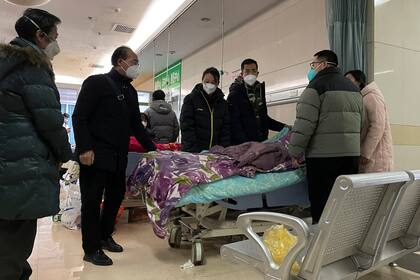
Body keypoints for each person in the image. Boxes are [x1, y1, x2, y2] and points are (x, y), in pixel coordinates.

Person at [0, 9, 72, 280]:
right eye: (54, 36)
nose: (56, 44)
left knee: (6, 242)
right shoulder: (32, 67)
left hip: (7, 162)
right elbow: (50, 123)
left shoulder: (7, 64)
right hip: (22, 169)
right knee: (14, 247)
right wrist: (67, 154)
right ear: (40, 36)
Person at [72, 46, 156, 266]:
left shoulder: (130, 91)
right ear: (120, 62)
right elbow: (79, 117)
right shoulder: (96, 83)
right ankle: (90, 249)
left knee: (115, 198)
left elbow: (136, 126)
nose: (137, 66)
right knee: (91, 202)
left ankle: (104, 235)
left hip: (119, 157)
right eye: (134, 61)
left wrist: (154, 148)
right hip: (95, 156)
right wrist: (84, 149)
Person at [288, 50, 363, 224]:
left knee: (322, 204)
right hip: (351, 156)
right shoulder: (354, 89)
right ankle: (341, 244)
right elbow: (362, 123)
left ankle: (321, 247)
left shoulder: (315, 87)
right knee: (344, 203)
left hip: (323, 158)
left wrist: (295, 152)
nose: (312, 69)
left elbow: (304, 124)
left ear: (323, 64)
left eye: (313, 65)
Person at [228, 58, 287, 145]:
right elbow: (234, 124)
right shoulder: (235, 94)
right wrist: (246, 144)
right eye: (247, 71)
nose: (250, 74)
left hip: (261, 143)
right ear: (242, 74)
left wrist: (284, 127)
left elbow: (264, 119)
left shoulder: (259, 92)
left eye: (253, 71)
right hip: (243, 146)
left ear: (257, 73)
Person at [345, 70, 393, 173]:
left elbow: (378, 126)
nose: (346, 83)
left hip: (376, 156)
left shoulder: (372, 97)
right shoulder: (363, 97)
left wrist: (365, 153)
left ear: (359, 81)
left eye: (349, 80)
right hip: (370, 156)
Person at [180, 67, 230, 152]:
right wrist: (194, 150)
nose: (209, 85)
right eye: (206, 82)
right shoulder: (191, 99)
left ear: (218, 83)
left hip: (216, 153)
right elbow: (186, 126)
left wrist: (222, 149)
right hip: (193, 152)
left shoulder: (223, 104)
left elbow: (226, 130)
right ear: (202, 81)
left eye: (213, 82)